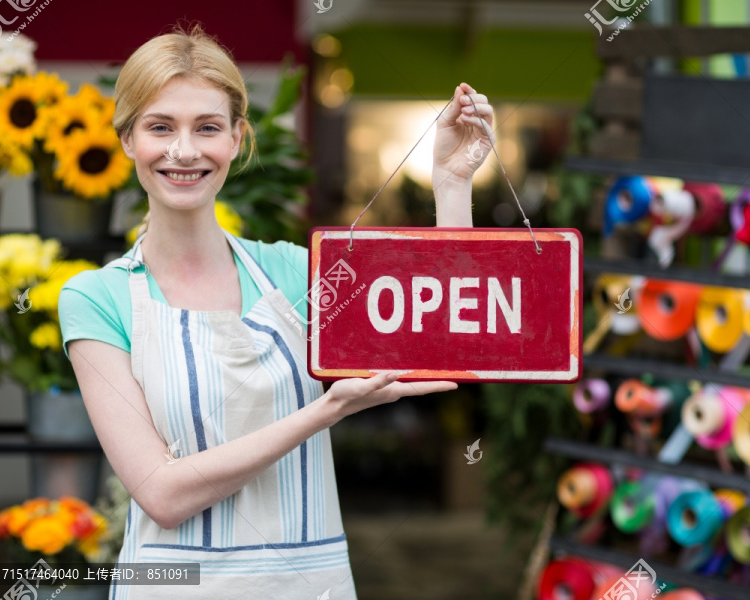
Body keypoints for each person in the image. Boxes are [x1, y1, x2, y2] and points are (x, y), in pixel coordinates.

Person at [59, 24, 495, 600]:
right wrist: (323, 413)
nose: (184, 151)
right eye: (160, 127)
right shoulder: (97, 299)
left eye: (207, 128)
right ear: (127, 141)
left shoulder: (297, 272)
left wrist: (452, 184)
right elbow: (162, 495)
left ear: (237, 138)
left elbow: (439, 337)